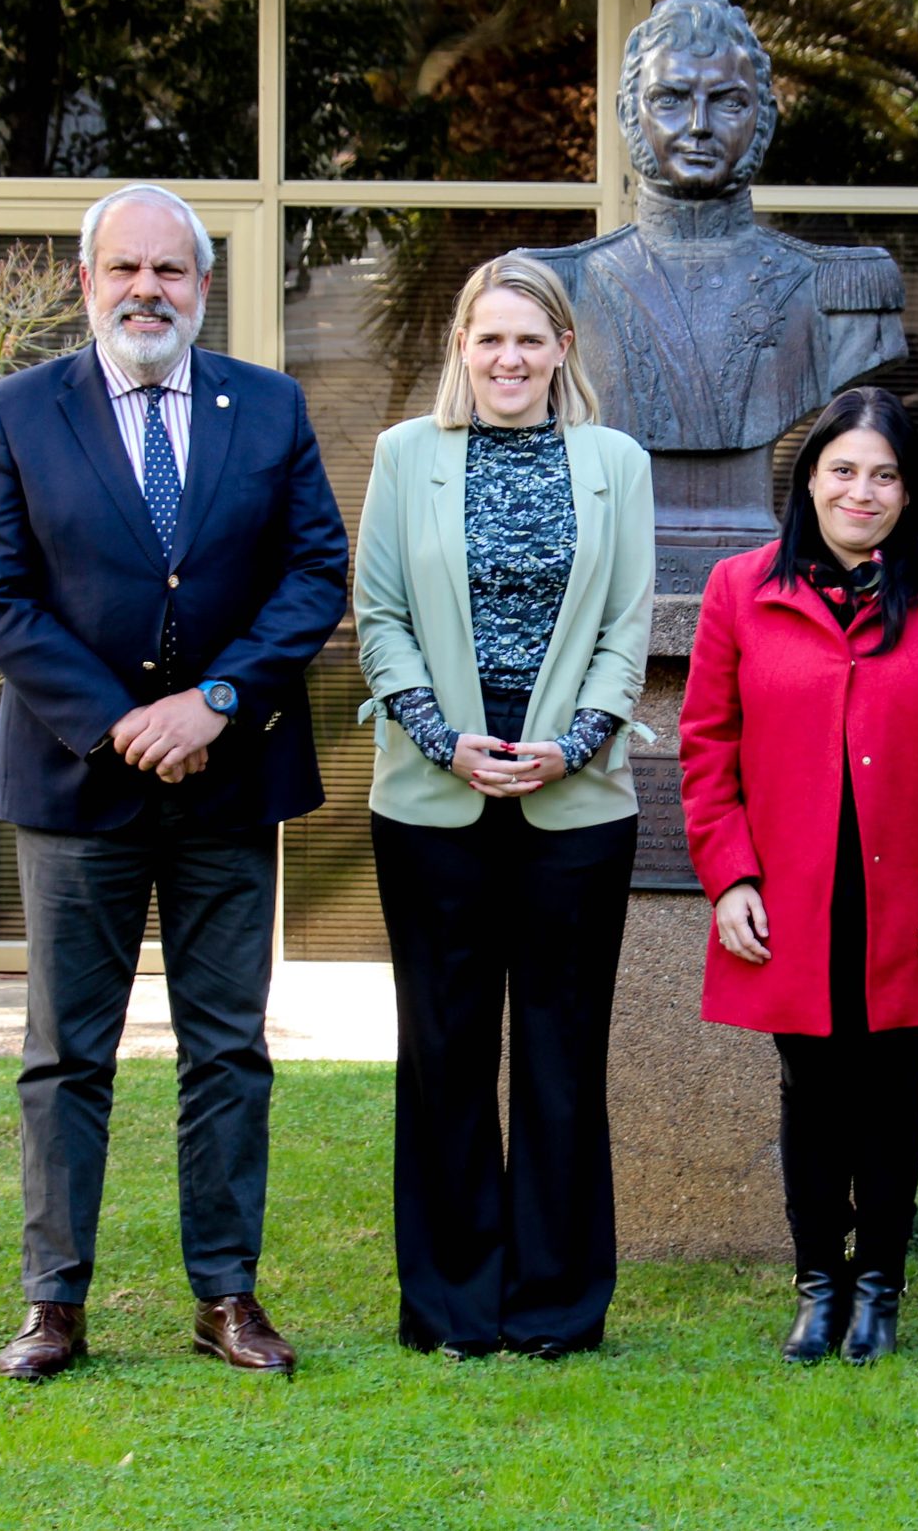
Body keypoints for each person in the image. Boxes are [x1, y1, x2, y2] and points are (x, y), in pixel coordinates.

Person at [0, 183, 350, 1381]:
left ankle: (225, 1293)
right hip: (78, 787)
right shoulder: (21, 412)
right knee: (64, 1055)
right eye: (123, 269)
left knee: (227, 1049)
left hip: (227, 784)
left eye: (169, 271)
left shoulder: (269, 407)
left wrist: (217, 701)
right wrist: (125, 721)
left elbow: (313, 571)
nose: (146, 289)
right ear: (85, 282)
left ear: (202, 285)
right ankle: (53, 1301)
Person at [678, 386, 918, 1365]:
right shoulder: (739, 587)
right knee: (809, 1084)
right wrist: (729, 875)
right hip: (786, 887)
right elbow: (706, 748)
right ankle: (816, 1285)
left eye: (884, 474)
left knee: (890, 1083)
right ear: (811, 478)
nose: (861, 491)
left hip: (907, 889)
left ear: (911, 489)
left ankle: (879, 1284)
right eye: (843, 470)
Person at [353, 253, 655, 1360]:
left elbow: (628, 624)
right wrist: (443, 736)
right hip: (433, 794)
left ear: (563, 349)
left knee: (562, 1052)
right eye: (489, 339)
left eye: (530, 340)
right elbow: (377, 612)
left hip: (575, 801)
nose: (508, 359)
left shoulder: (615, 462)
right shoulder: (404, 455)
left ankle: (556, 1307)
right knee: (443, 1047)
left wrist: (573, 744)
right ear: (462, 348)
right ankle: (449, 1305)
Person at [525, 0, 906, 571]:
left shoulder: (839, 291)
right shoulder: (558, 287)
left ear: (765, 118)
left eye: (727, 102)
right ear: (629, 113)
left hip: (762, 558)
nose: (698, 126)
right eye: (671, 100)